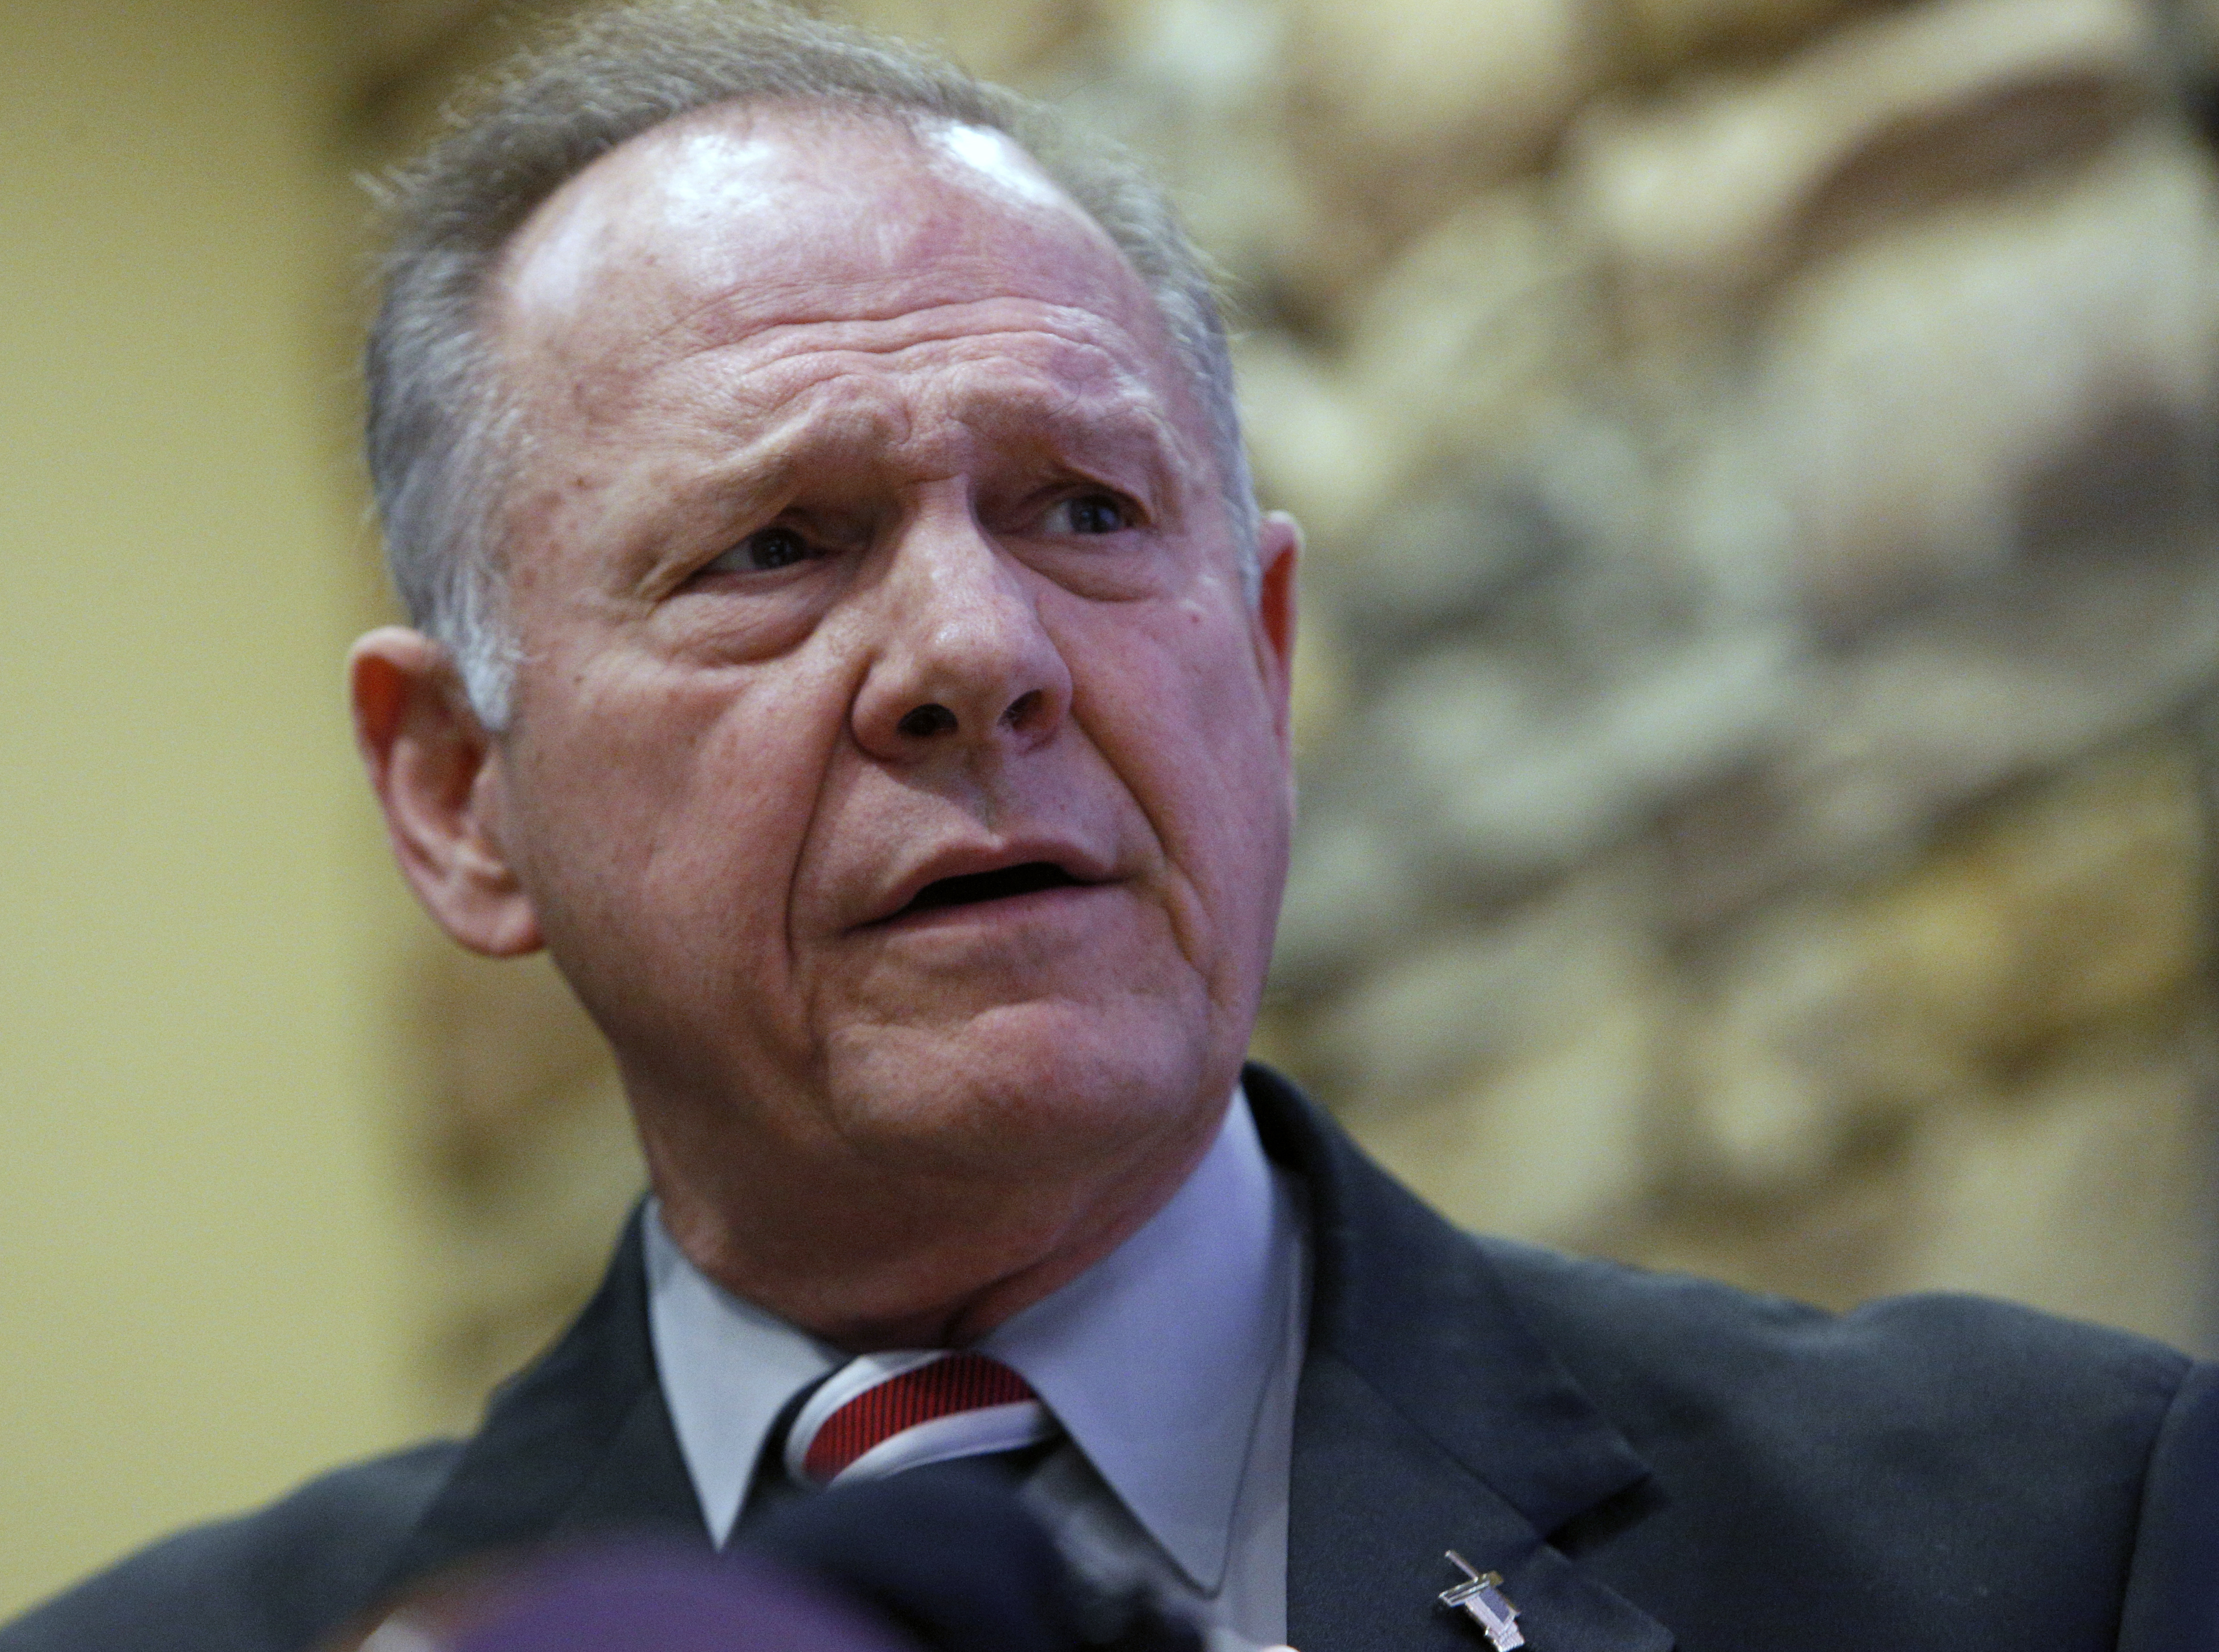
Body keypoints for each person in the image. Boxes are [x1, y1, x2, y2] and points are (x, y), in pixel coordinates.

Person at [5, 4, 2214, 1649]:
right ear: (461, 794)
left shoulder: (2066, 1532)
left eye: (1083, 507)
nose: (979, 650)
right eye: (780, 542)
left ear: (1260, 654)